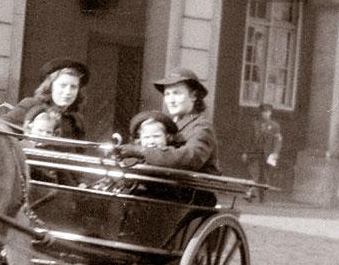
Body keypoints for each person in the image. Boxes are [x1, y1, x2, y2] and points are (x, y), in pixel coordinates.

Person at [115, 67, 221, 206]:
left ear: (194, 96)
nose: (171, 100)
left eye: (177, 93)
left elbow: (190, 157)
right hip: (169, 187)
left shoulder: (202, 127)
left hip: (192, 195)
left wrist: (141, 151)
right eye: (167, 94)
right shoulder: (172, 124)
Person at [2, 58, 88, 141]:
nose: (68, 92)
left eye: (73, 87)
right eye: (63, 85)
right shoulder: (30, 105)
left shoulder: (76, 120)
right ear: (50, 87)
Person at [242, 103, 283, 202]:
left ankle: (263, 197)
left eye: (267, 112)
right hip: (254, 153)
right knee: (253, 174)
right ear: (260, 113)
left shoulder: (275, 126)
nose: (265, 114)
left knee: (264, 176)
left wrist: (276, 153)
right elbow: (248, 139)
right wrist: (245, 152)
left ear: (270, 113)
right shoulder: (254, 124)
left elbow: (278, 141)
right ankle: (250, 195)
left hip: (267, 155)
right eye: (263, 112)